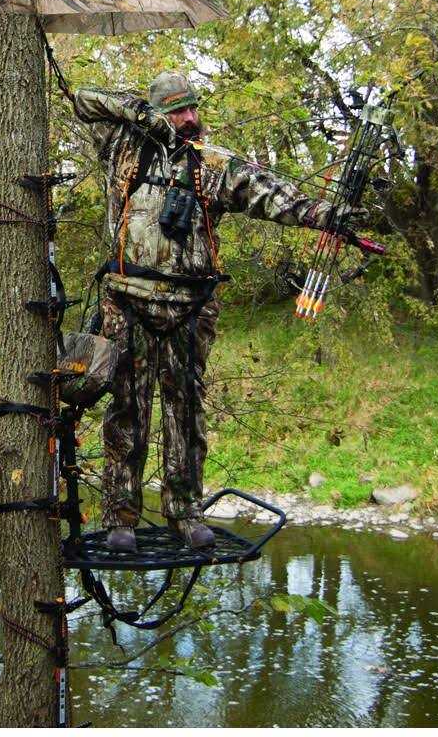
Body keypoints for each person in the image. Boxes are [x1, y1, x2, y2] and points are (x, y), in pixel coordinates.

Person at [73, 71, 364, 552]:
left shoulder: (213, 163)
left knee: (186, 414)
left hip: (190, 310)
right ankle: (120, 517)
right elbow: (85, 98)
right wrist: (143, 115)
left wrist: (324, 216)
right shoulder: (123, 146)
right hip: (127, 303)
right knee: (127, 412)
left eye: (193, 109)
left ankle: (184, 513)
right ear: (161, 112)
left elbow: (271, 194)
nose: (190, 118)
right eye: (179, 110)